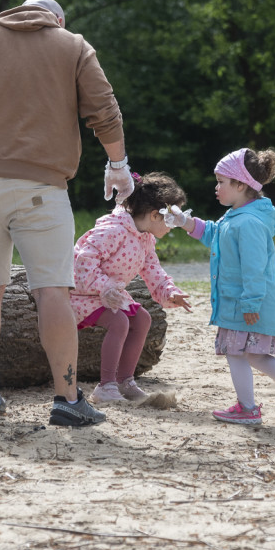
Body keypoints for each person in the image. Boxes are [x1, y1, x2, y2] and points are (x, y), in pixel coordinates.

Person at [0, 0, 135, 427]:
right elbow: (105, 111)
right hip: (42, 189)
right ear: (56, 20)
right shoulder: (72, 45)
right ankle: (68, 398)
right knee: (53, 290)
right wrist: (118, 166)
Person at [163, 148, 275, 425]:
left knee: (238, 353)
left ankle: (249, 407)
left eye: (221, 181)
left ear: (241, 185)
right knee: (252, 354)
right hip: (240, 303)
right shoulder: (236, 216)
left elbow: (254, 268)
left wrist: (249, 304)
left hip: (245, 304)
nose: (216, 187)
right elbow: (213, 234)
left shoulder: (248, 223)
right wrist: (185, 222)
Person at [70, 172, 192, 404]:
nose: (174, 226)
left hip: (110, 295)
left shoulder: (144, 238)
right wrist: (103, 286)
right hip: (82, 292)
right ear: (155, 215)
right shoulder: (114, 230)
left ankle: (125, 381)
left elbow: (153, 270)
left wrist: (169, 292)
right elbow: (83, 260)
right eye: (172, 219)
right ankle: (106, 386)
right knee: (120, 322)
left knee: (142, 319)